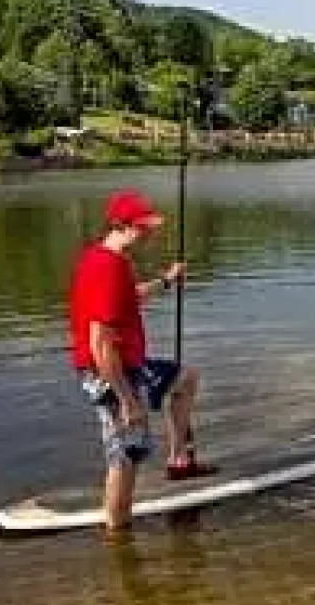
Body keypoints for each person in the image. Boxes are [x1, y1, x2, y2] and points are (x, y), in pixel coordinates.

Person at [68, 188, 211, 533]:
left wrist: (166, 281)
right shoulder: (106, 267)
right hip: (111, 373)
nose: (148, 234)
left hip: (129, 364)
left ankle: (179, 460)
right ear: (122, 226)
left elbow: (128, 298)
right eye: (142, 227)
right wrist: (127, 400)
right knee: (125, 455)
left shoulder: (107, 259)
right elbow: (100, 342)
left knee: (185, 378)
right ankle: (117, 533)